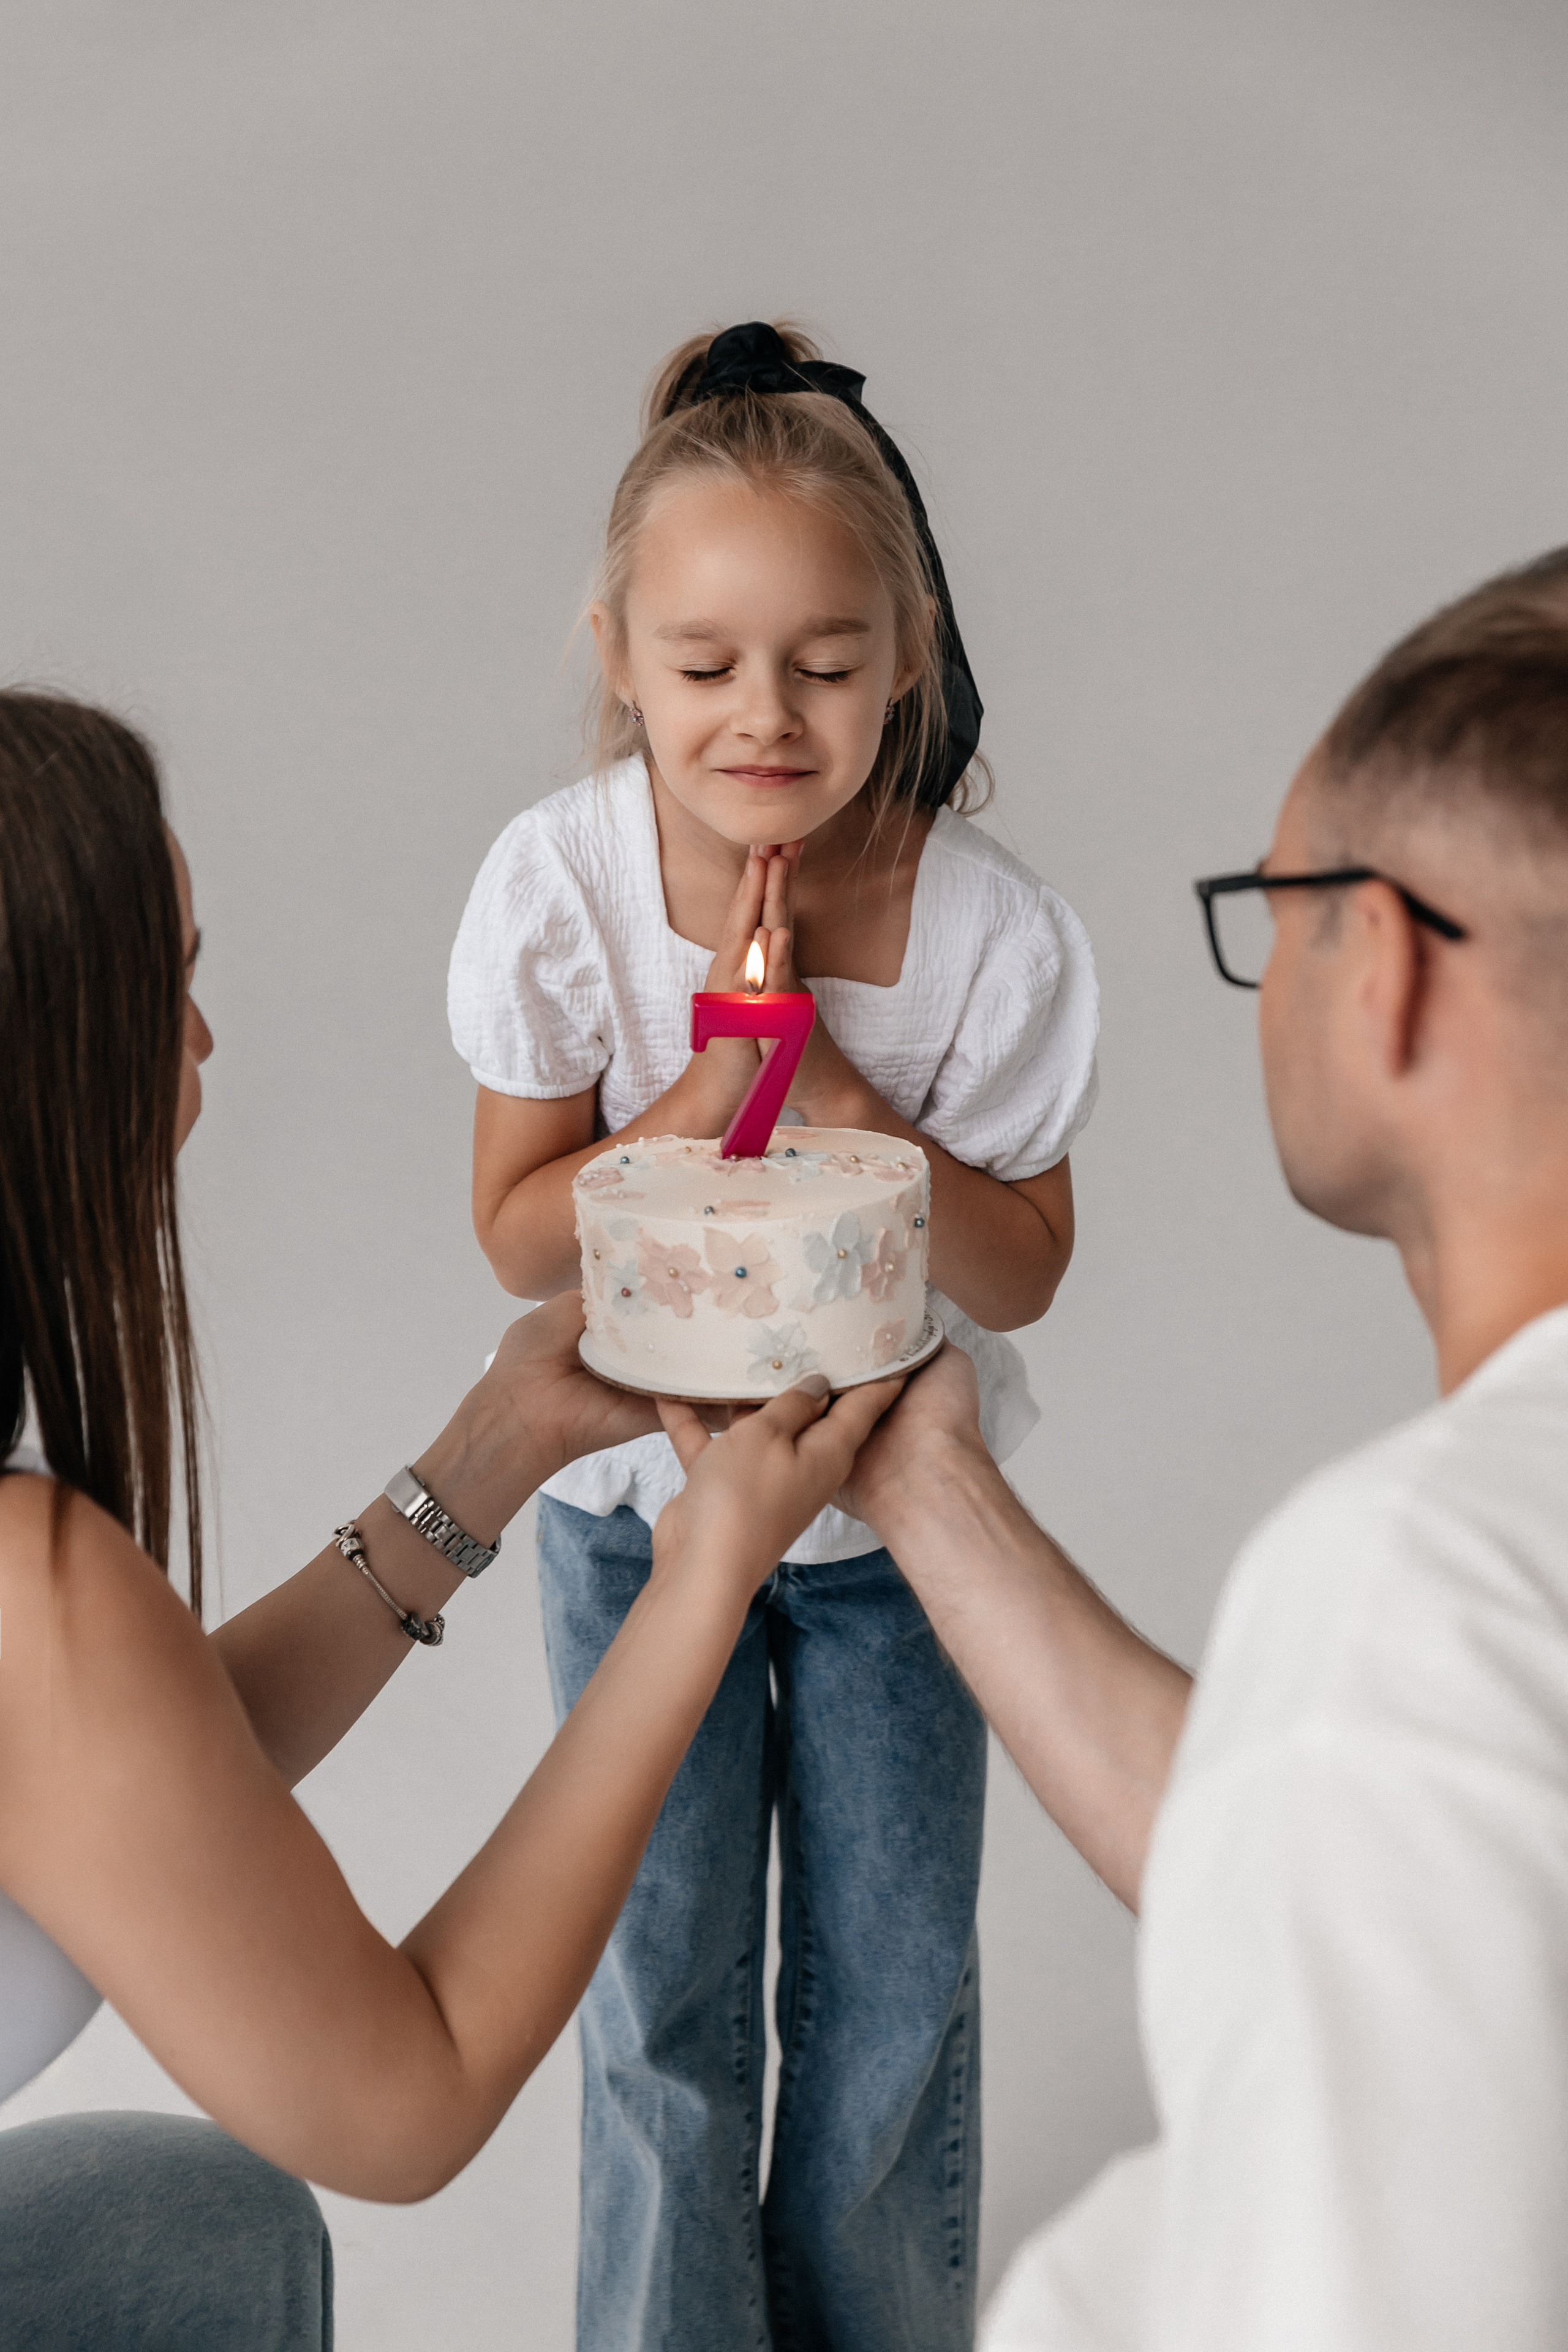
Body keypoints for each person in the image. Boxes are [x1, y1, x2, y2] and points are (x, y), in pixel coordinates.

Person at [0, 689, 901, 2351]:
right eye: (172, 988)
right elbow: (405, 2100)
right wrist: (701, 1577)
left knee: (198, 2224)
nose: (202, 1047)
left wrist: (487, 1454)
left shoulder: (46, 1626)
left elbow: (137, 1783)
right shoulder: (28, 1595)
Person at [447, 318, 1100, 2349]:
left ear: (904, 656)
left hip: (905, 1543)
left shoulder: (990, 931)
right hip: (645, 1519)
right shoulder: (561, 886)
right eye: (704, 668)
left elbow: (1023, 1269)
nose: (764, 719)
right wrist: (717, 1068)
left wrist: (846, 1100)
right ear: (619, 657)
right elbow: (511, 1230)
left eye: (825, 665)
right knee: (659, 2005)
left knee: (892, 2007)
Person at [839, 545, 1568, 2351]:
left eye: (1285, 900)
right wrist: (928, 1481)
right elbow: (1386, 1875)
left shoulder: (1420, 1593)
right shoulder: (1461, 1651)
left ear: (1386, 964)